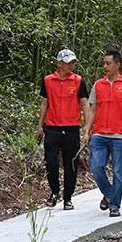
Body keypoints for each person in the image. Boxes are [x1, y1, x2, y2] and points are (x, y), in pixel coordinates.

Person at [83, 50, 122, 217]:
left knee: (118, 171)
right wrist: (87, 130)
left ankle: (114, 205)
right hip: (100, 134)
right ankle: (109, 194)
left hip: (121, 136)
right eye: (104, 63)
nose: (105, 66)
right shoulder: (98, 85)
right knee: (95, 165)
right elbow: (92, 109)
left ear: (118, 65)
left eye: (108, 63)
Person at [36, 49, 90, 210]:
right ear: (60, 63)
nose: (71, 66)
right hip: (52, 128)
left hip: (71, 128)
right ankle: (54, 193)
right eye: (68, 63)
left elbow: (85, 103)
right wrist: (40, 126)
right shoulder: (48, 80)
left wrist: (87, 127)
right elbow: (45, 103)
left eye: (73, 62)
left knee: (70, 164)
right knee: (51, 161)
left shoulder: (78, 81)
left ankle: (68, 198)